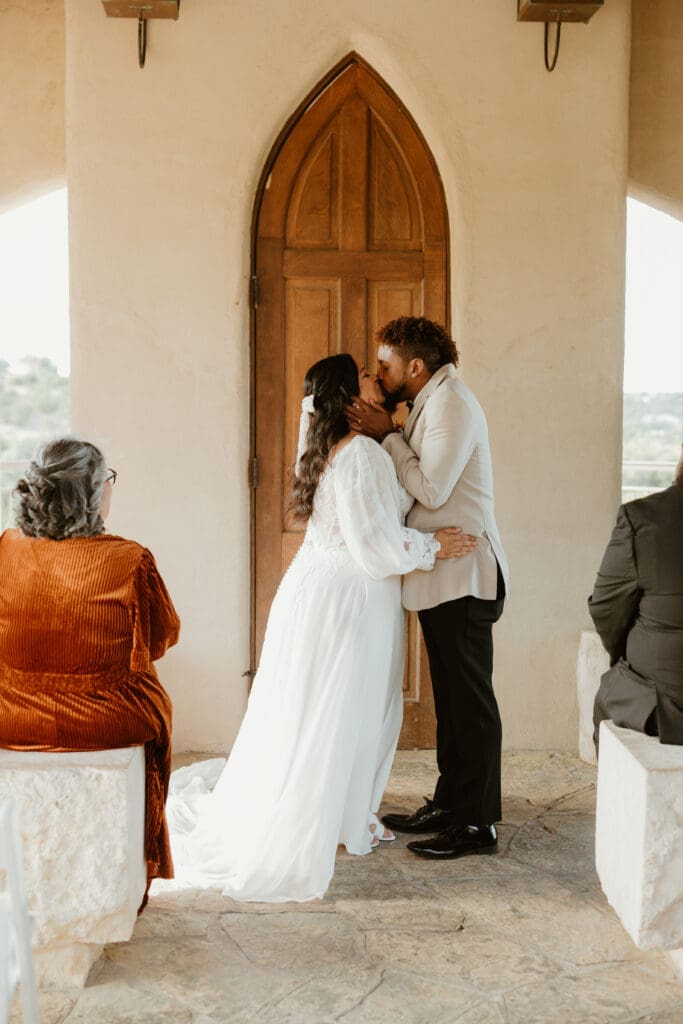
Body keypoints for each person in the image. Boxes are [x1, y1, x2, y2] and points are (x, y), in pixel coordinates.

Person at [165, 353, 476, 903]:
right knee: (342, 707)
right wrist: (433, 546)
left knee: (324, 706)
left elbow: (383, 508)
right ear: (347, 399)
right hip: (348, 600)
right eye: (364, 376)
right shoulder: (355, 455)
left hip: (324, 591)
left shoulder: (349, 450)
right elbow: (376, 545)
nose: (376, 379)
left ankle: (337, 809)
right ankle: (333, 817)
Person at [346, 316, 509, 860]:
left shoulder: (452, 404)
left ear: (415, 367)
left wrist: (387, 436)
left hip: (465, 576)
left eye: (387, 364)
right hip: (440, 575)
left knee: (471, 703)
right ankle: (449, 803)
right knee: (451, 702)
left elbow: (434, 490)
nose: (380, 373)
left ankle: (477, 824)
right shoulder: (430, 403)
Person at [0, 438, 180, 901]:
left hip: (11, 713)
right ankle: (132, 872)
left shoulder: (5, 547)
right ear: (94, 494)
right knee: (154, 701)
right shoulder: (130, 559)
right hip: (103, 720)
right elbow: (160, 640)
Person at [589, 444, 683, 749]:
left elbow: (606, 609)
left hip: (670, 707)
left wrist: (621, 658)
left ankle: (615, 797)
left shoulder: (643, 518)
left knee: (609, 693)